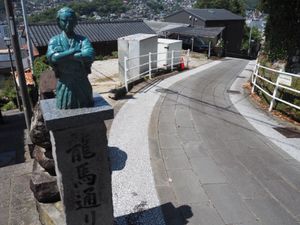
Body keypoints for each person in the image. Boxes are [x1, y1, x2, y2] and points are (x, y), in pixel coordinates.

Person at [46, 7, 95, 109]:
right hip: (65, 83)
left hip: (81, 81)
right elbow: (53, 58)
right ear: (58, 22)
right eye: (64, 21)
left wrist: (63, 55)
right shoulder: (54, 40)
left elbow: (89, 54)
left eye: (71, 21)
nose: (68, 24)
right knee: (65, 105)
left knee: (86, 104)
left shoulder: (82, 40)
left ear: (76, 22)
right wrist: (73, 51)